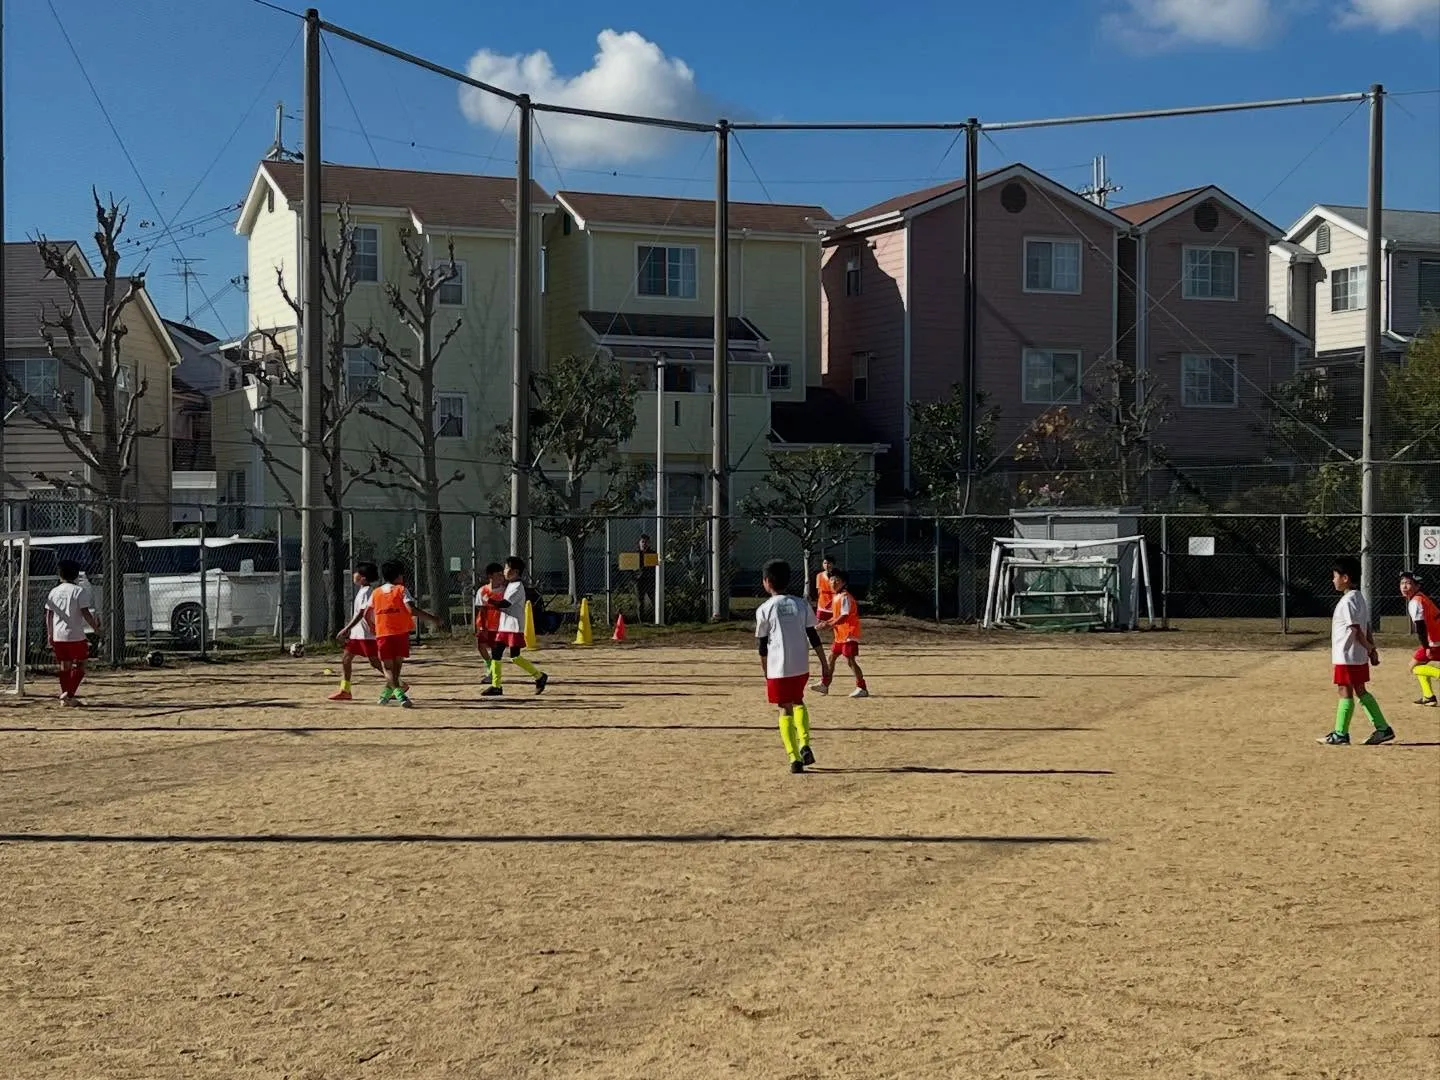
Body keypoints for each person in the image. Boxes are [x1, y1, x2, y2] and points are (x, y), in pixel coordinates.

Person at [756, 559, 831, 773]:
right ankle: (805, 743)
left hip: (778, 668)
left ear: (767, 582)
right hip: (801, 666)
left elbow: (762, 646)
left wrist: (765, 672)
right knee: (798, 701)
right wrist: (824, 664)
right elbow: (813, 635)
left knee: (784, 708)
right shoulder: (801, 604)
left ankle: (794, 757)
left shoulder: (765, 609)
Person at [1319, 557, 1394, 745]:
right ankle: (1382, 728)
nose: (1333, 580)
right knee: (1360, 690)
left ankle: (1340, 734)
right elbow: (1366, 627)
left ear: (1345, 578)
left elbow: (1355, 629)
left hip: (1347, 655)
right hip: (1356, 655)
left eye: (1335, 576)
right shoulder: (1359, 597)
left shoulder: (1347, 601)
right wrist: (1371, 649)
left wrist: (1370, 648)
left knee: (1345, 691)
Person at [366, 560, 441, 708]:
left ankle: (387, 694)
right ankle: (399, 695)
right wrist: (432, 619)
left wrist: (372, 626)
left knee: (388, 668)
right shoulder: (401, 590)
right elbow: (411, 609)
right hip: (401, 633)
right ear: (399, 576)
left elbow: (367, 613)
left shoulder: (376, 592)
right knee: (396, 666)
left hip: (383, 633)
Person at [480, 555, 549, 696]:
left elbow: (505, 604)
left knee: (515, 657)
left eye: (506, 568)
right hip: (505, 626)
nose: (504, 571)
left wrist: (489, 600)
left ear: (515, 571)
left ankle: (539, 676)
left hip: (514, 627)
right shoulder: (510, 585)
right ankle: (496, 685)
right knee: (496, 653)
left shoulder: (517, 587)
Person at [46, 559, 99, 707]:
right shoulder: (78, 591)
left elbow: (49, 614)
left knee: (65, 665)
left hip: (58, 635)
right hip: (75, 635)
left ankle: (66, 697)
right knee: (81, 664)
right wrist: (95, 627)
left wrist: (50, 634)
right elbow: (85, 612)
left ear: (60, 575)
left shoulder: (54, 591)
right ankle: (69, 694)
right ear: (76, 575)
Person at [330, 562, 386, 701]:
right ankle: (345, 690)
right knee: (346, 659)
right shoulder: (362, 591)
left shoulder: (367, 591)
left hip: (365, 634)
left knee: (375, 662)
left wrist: (346, 628)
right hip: (358, 634)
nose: (354, 575)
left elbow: (362, 613)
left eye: (357, 573)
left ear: (363, 578)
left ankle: (398, 683)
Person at [815, 568, 869, 698]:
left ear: (844, 583)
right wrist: (826, 623)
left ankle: (862, 687)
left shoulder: (845, 597)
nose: (833, 583)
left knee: (850, 661)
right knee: (831, 657)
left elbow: (844, 616)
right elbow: (837, 616)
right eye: (832, 580)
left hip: (849, 634)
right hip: (840, 635)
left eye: (837, 581)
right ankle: (825, 684)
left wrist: (829, 624)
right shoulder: (836, 597)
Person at [1399, 571, 1440, 707]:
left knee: (1414, 667)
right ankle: (1428, 696)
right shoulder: (1421, 597)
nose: (1404, 586)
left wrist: (1427, 647)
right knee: (1418, 665)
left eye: (1409, 583)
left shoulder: (1415, 602)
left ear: (1417, 586)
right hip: (1435, 637)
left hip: (1435, 640)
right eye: (1402, 583)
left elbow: (1421, 627)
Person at [475, 562, 507, 696]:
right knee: (481, 646)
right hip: (487, 624)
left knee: (496, 650)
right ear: (490, 576)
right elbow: (481, 609)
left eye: (502, 575)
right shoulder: (483, 590)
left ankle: (493, 675)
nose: (501, 577)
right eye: (498, 575)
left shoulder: (506, 591)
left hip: (500, 625)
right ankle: (490, 668)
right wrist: (482, 626)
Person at [812, 553, 837, 622]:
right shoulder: (819, 576)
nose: (826, 565)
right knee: (819, 624)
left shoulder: (837, 576)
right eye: (825, 563)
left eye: (829, 563)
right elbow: (818, 590)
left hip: (834, 605)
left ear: (833, 564)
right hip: (822, 605)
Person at [636, 534, 656, 619]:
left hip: (650, 580)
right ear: (639, 543)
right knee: (640, 602)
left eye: (646, 542)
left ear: (649, 543)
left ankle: (657, 618)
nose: (644, 544)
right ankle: (641, 620)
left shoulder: (652, 554)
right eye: (643, 542)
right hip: (639, 581)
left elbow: (655, 567)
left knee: (654, 600)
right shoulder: (636, 555)